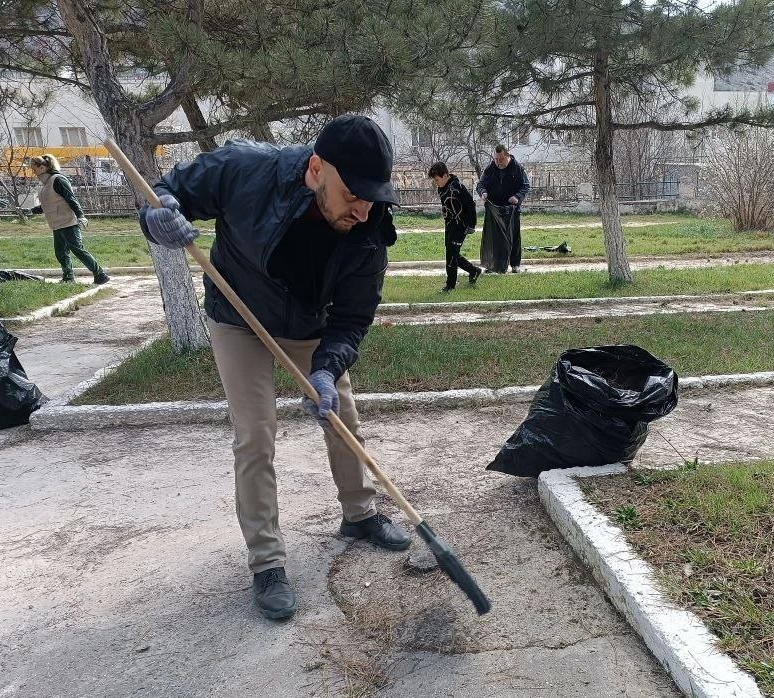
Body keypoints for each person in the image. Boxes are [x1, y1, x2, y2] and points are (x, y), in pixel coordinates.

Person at [137, 115, 411, 621]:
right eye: (353, 194)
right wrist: (158, 216)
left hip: (309, 323)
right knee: (256, 435)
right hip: (238, 317)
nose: (363, 208)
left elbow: (352, 318)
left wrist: (326, 369)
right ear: (315, 170)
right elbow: (167, 190)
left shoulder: (370, 229)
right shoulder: (246, 169)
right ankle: (266, 562)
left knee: (341, 416)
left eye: (373, 195)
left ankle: (360, 514)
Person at [27, 154, 110, 284]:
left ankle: (100, 274)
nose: (33, 172)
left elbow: (71, 199)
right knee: (61, 253)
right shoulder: (46, 184)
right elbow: (47, 205)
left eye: (34, 169)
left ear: (42, 167)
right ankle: (68, 278)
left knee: (78, 250)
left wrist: (81, 215)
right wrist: (31, 211)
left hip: (68, 223)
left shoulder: (58, 180)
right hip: (57, 225)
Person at [428, 162, 482, 292]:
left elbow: (471, 205)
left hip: (461, 225)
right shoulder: (442, 188)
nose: (436, 183)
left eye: (437, 179)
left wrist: (471, 225)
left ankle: (450, 285)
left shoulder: (457, 187)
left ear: (446, 175)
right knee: (453, 252)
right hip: (450, 224)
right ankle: (474, 270)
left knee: (451, 255)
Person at [475, 145, 530, 273]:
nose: (498, 162)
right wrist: (483, 192)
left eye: (501, 159)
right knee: (495, 238)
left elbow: (526, 187)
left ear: (507, 156)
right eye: (496, 159)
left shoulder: (518, 169)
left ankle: (515, 264)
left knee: (514, 236)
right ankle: (493, 265)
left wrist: (517, 197)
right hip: (494, 209)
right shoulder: (490, 169)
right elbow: (480, 184)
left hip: (512, 210)